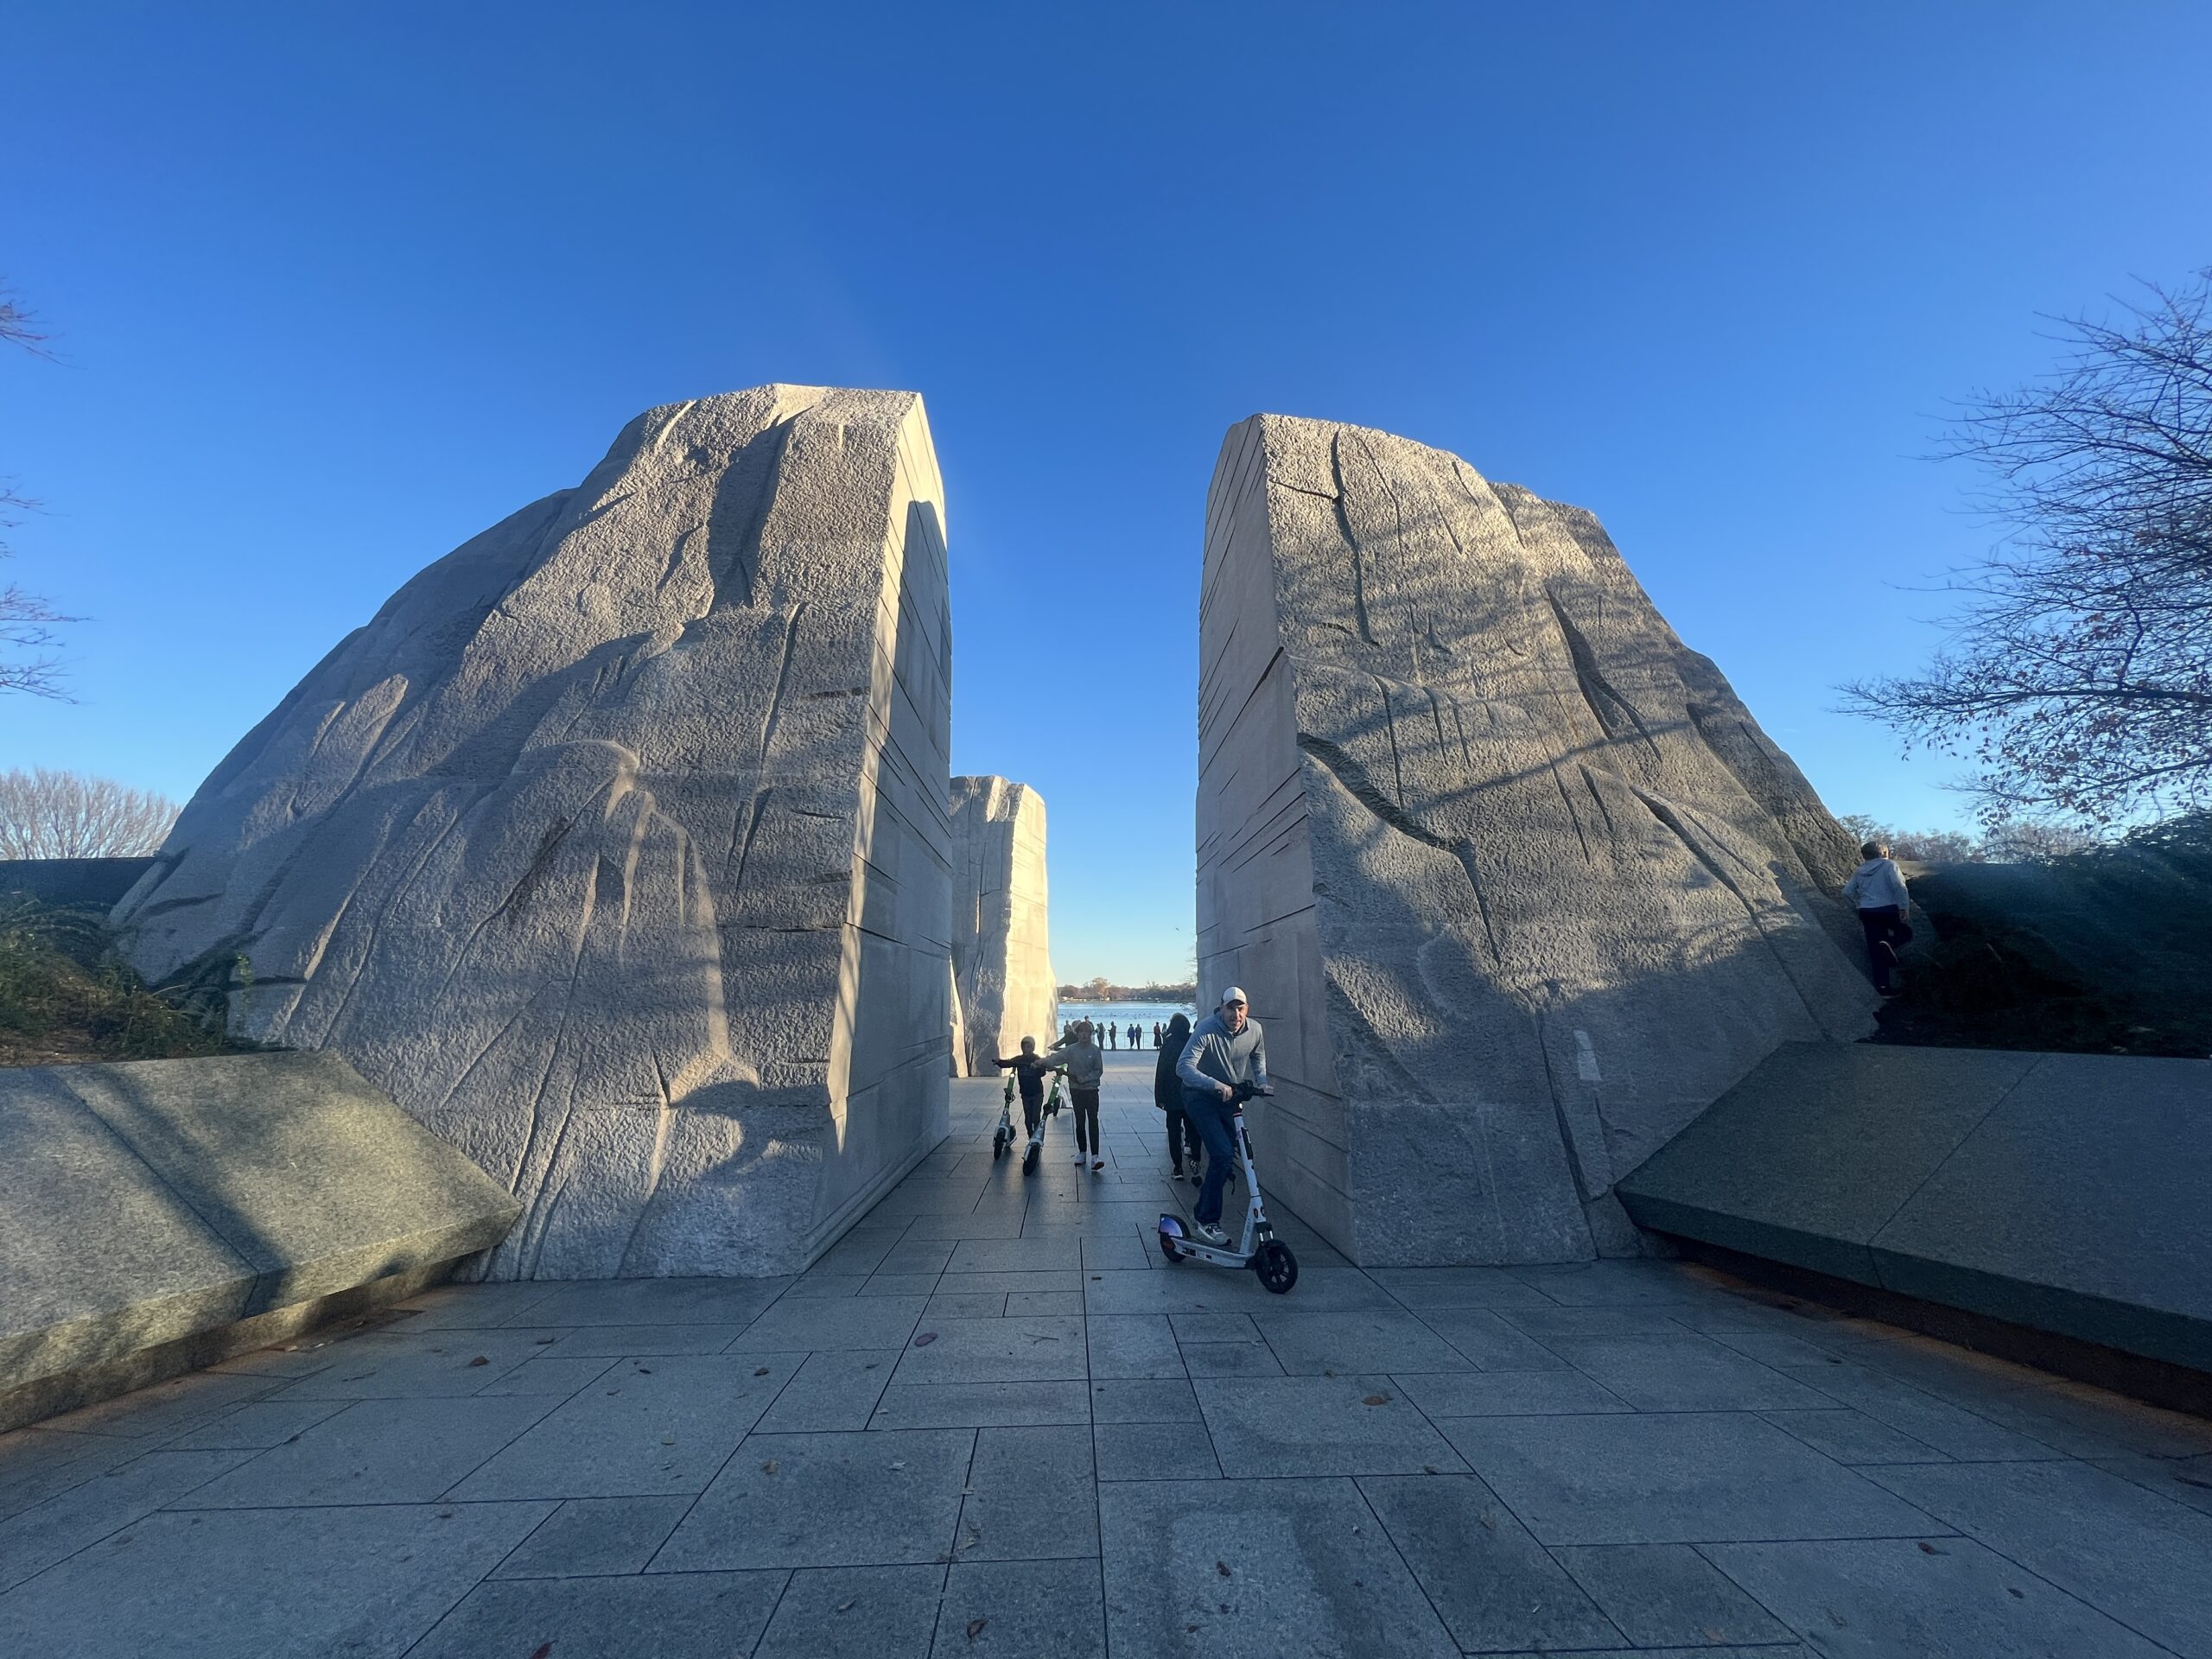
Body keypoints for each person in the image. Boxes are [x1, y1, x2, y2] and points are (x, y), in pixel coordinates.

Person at [1175, 988, 1268, 1245]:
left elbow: (1258, 1055)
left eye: (1240, 1009)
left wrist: (1262, 1081)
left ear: (1246, 1010)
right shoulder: (1206, 1029)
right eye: (1230, 1008)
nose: (1235, 1014)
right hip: (1199, 1094)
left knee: (1229, 1156)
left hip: (1229, 1095)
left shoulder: (1255, 1030)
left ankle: (1202, 1211)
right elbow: (1183, 1067)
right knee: (1222, 1153)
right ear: (1221, 1008)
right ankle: (1206, 1220)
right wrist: (1215, 1085)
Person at [1841, 838, 1914, 995]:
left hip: (1867, 912)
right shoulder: (1889, 865)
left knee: (1875, 953)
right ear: (1883, 853)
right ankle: (1889, 944)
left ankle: (1884, 989)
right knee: (1906, 933)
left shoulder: (1860, 871)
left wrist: (1857, 907)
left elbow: (1846, 892)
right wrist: (1904, 907)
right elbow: (1899, 886)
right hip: (1888, 909)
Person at [1045, 1019, 1106, 1170]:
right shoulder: (1071, 1050)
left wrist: (1085, 1079)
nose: (1084, 1035)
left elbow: (1099, 1070)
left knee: (1092, 1121)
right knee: (1079, 1121)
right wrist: (1042, 1062)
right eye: (1081, 1032)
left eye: (1087, 1032)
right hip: (1076, 1090)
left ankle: (1095, 1156)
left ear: (1091, 1034)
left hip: (1091, 1091)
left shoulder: (1095, 1050)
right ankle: (1082, 1152)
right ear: (1077, 1034)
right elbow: (1056, 1058)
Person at [1154, 1012, 1200, 1180]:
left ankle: (1178, 1167)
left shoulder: (1169, 1044)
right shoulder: (1193, 1041)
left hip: (1173, 1097)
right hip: (1192, 1096)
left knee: (1173, 1132)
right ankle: (1195, 1159)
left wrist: (1160, 1097)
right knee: (1193, 1130)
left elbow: (1162, 1072)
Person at [993, 1037, 1056, 1141]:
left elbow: (1043, 1072)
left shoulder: (1037, 1059)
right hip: (1025, 1094)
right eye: (1023, 1047)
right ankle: (1031, 1136)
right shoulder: (1019, 1060)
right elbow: (1009, 1063)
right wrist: (999, 1062)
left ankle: (1036, 1137)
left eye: (1028, 1047)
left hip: (1037, 1093)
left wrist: (1037, 1067)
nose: (1025, 1049)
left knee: (1036, 1117)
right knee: (1028, 1118)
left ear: (1033, 1048)